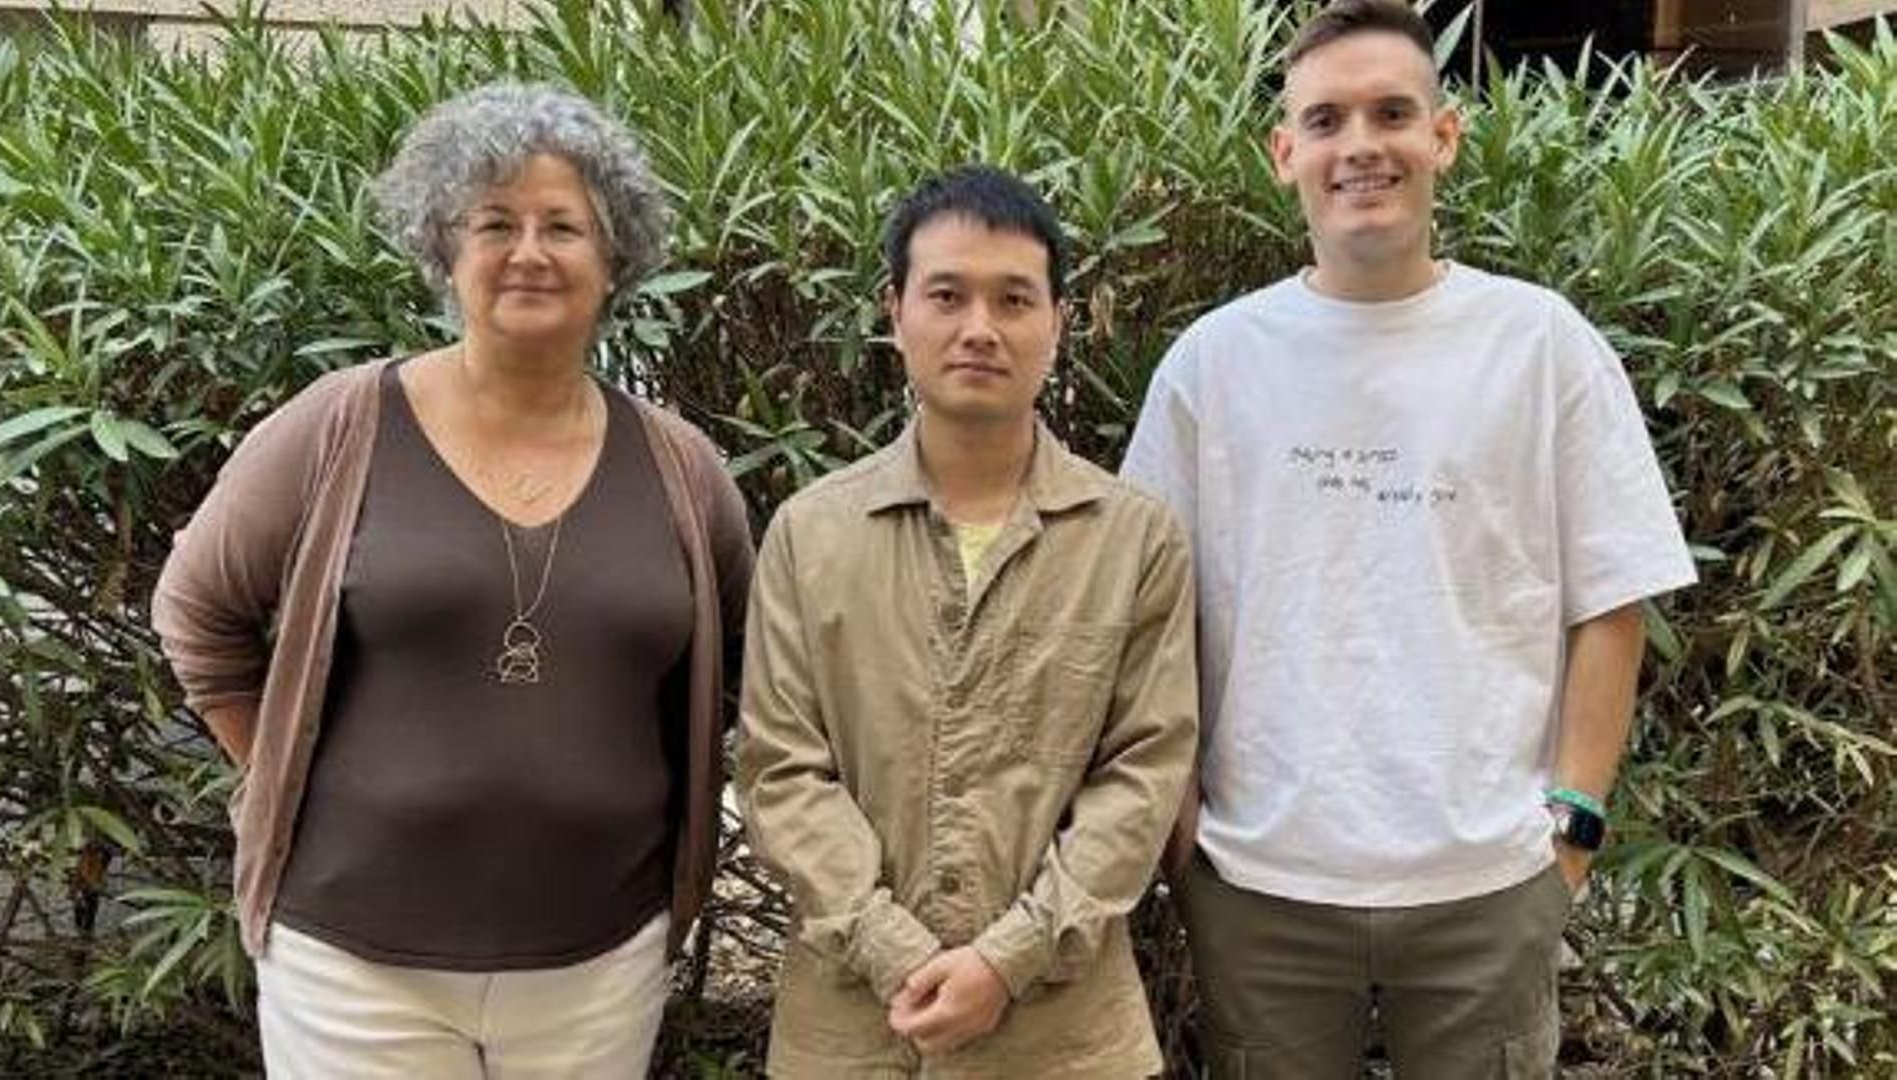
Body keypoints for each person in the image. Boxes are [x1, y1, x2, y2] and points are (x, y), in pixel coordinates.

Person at [1120, 3, 1698, 1077]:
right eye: (1326, 120)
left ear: (1444, 135)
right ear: (1284, 152)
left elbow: (1611, 599)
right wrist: (1179, 813)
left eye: (1392, 113)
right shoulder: (1213, 362)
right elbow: (1146, 608)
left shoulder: (1541, 345)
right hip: (1260, 884)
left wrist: (1573, 825)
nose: (1361, 146)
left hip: (1489, 881)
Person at [150, 81, 752, 1078]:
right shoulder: (339, 425)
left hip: (600, 960)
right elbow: (197, 612)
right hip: (353, 964)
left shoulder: (683, 470)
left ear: (615, 260)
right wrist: (283, 773)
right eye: (495, 223)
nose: (529, 252)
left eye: (564, 226)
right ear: (444, 248)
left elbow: (731, 670)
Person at [735, 166, 1198, 1078]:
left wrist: (1007, 959)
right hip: (851, 1031)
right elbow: (781, 771)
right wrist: (889, 946)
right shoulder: (811, 533)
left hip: (1065, 1039)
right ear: (895, 310)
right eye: (946, 295)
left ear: (1059, 322)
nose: (979, 328)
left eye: (1014, 299)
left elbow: (1145, 773)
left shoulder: (1132, 540)